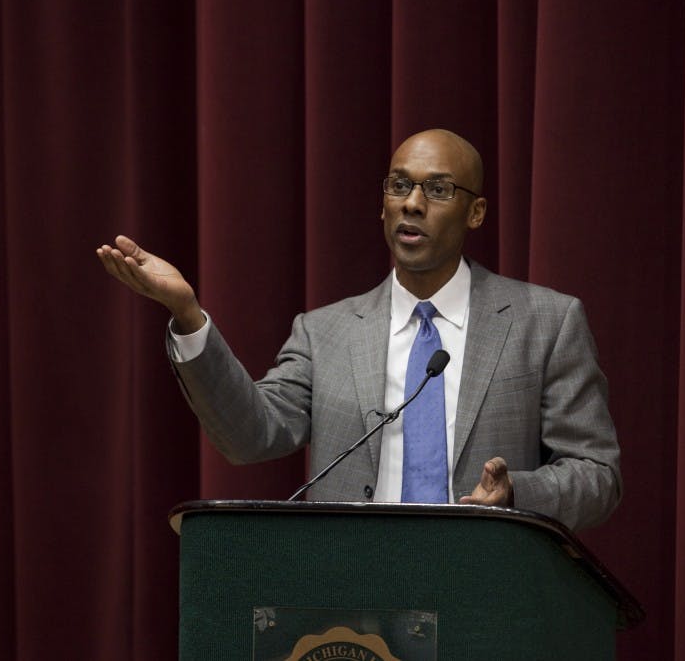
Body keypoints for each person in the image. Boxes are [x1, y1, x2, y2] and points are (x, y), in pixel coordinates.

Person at [96, 129, 621, 532]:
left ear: (476, 212)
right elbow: (250, 435)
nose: (412, 203)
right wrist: (188, 314)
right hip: (352, 601)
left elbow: (598, 476)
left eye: (438, 189)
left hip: (486, 597)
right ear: (383, 204)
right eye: (399, 186)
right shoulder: (325, 333)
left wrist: (515, 495)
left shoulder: (546, 323)